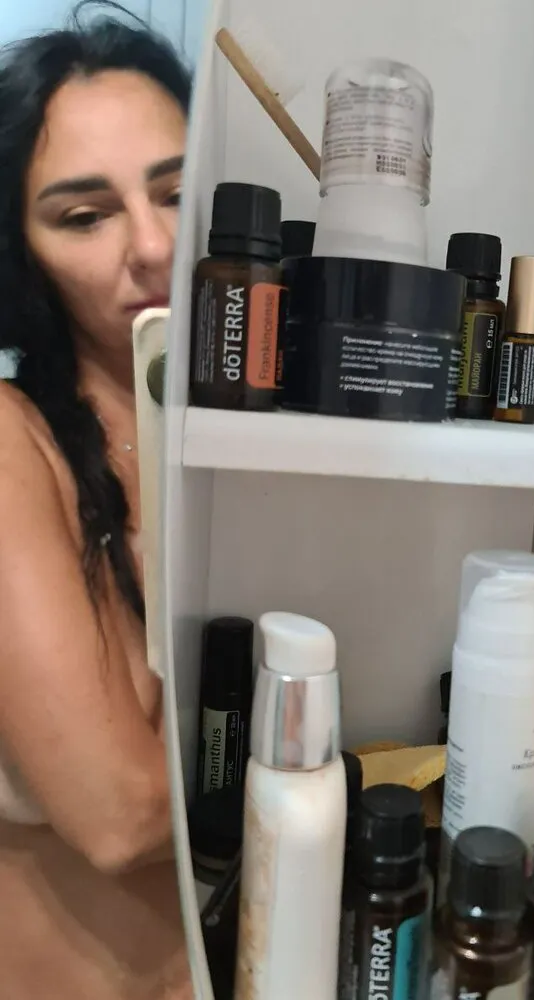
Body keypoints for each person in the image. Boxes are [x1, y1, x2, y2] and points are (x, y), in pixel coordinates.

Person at [0, 8, 193, 998]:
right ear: (23, 251)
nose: (154, 246)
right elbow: (123, 814)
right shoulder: (13, 441)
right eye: (85, 216)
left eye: (177, 193)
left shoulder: (251, 438)